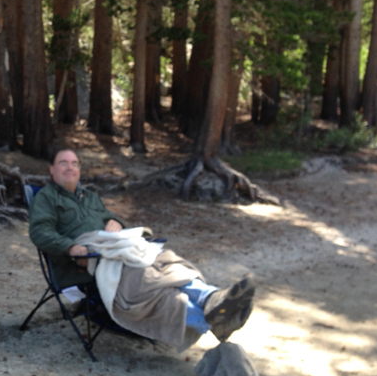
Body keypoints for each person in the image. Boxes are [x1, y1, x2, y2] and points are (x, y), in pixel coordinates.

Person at [28, 148, 255, 349]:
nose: (70, 167)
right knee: (146, 280)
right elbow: (40, 232)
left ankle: (210, 298)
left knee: (165, 261)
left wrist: (115, 221)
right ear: (52, 170)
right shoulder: (46, 198)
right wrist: (70, 247)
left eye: (74, 163)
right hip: (83, 264)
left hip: (115, 249)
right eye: (63, 163)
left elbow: (108, 216)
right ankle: (211, 320)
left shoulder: (90, 197)